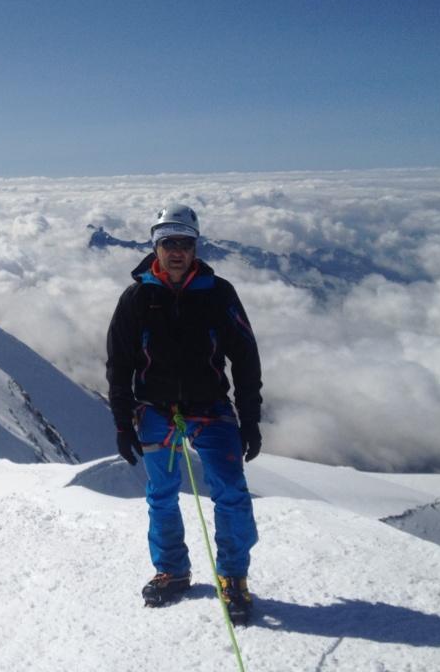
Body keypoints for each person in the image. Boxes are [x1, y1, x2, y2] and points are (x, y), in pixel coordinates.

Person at [105, 202, 262, 624]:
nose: (178, 251)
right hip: (155, 410)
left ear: (196, 247)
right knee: (161, 494)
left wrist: (250, 419)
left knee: (230, 490)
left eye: (186, 243)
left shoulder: (219, 293)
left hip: (210, 407)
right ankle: (173, 570)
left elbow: (245, 357)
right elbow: (119, 364)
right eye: (169, 242)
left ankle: (233, 576)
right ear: (155, 246)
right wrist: (122, 421)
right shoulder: (137, 298)